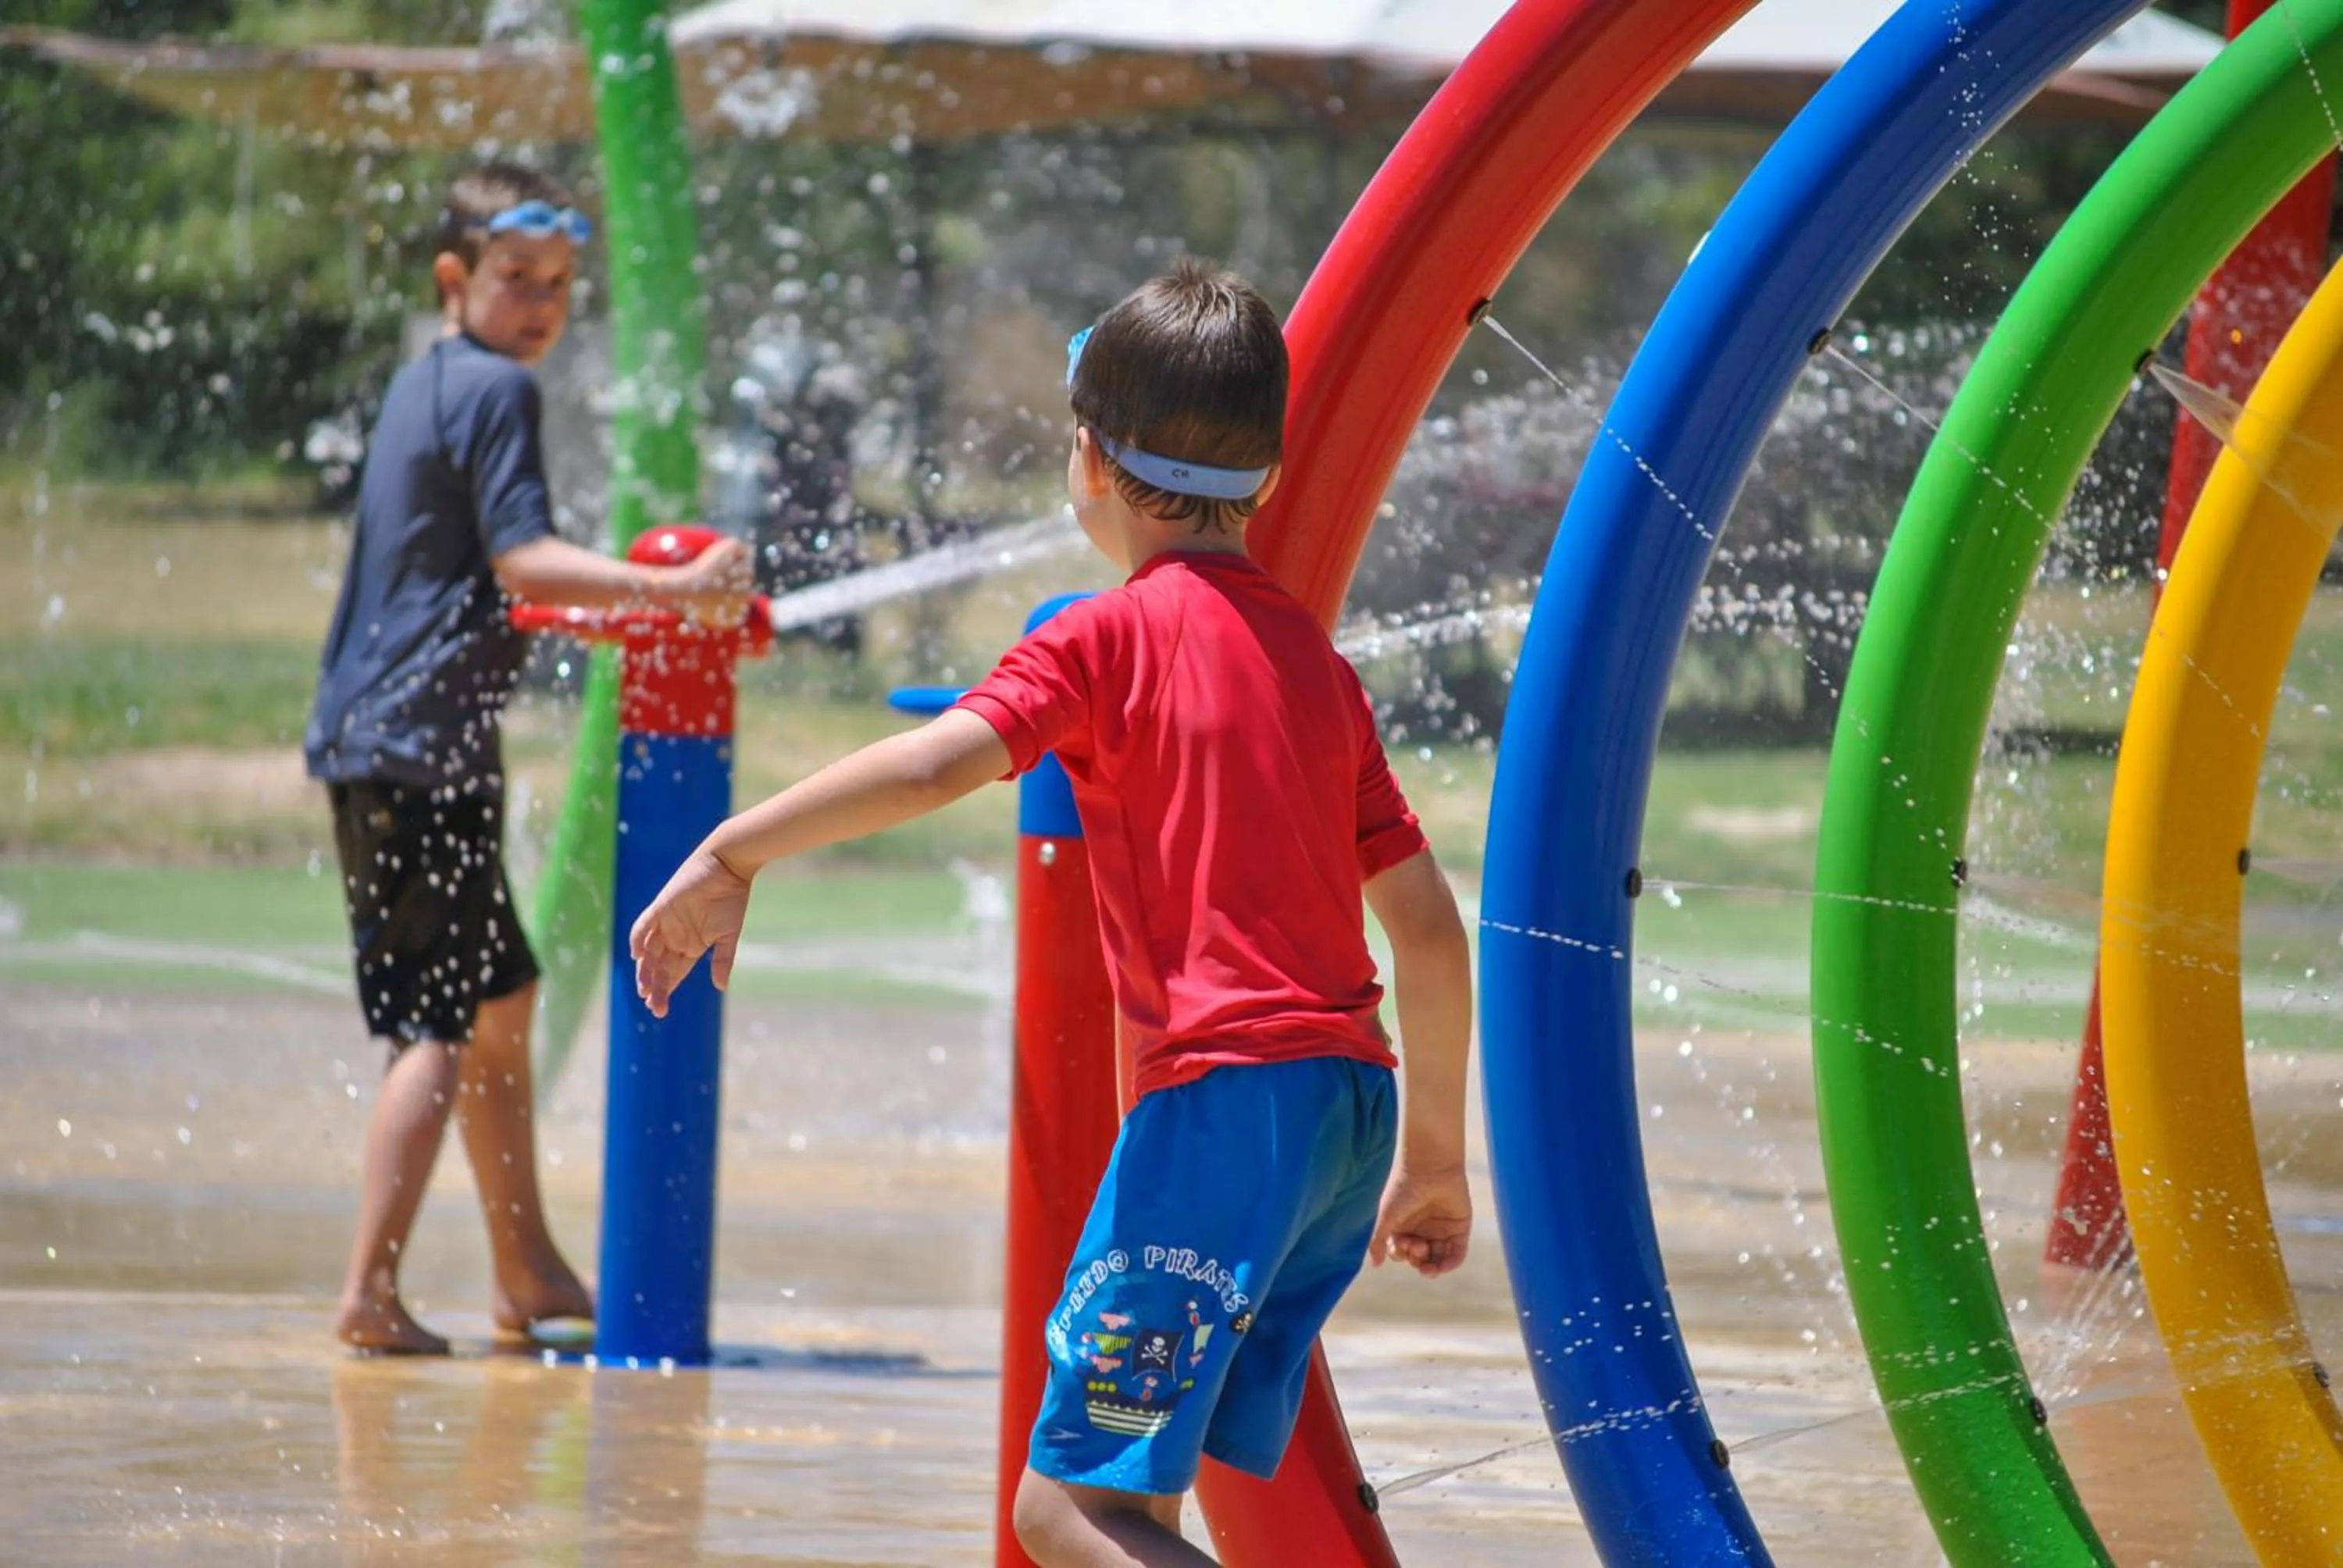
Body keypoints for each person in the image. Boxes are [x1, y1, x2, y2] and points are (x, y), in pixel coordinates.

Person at [629, 258, 1474, 1565]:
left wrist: (735, 850)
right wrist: (1429, 1164)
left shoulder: (1098, 638)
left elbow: (931, 764)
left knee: (1062, 1512)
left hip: (1220, 1114)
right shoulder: (1315, 663)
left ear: (1087, 457)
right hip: (1343, 1124)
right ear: (1266, 474)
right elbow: (1426, 929)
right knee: (1142, 1503)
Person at [305, 162, 749, 1355]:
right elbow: (524, 563)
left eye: (559, 283)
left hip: (393, 743)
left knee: (502, 1002)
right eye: (516, 279)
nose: (543, 303)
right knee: (438, 1026)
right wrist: (671, 586)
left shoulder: (424, 380)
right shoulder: (495, 391)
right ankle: (369, 1293)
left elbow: (473, 581)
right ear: (456, 280)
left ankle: (524, 1271)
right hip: (417, 752)